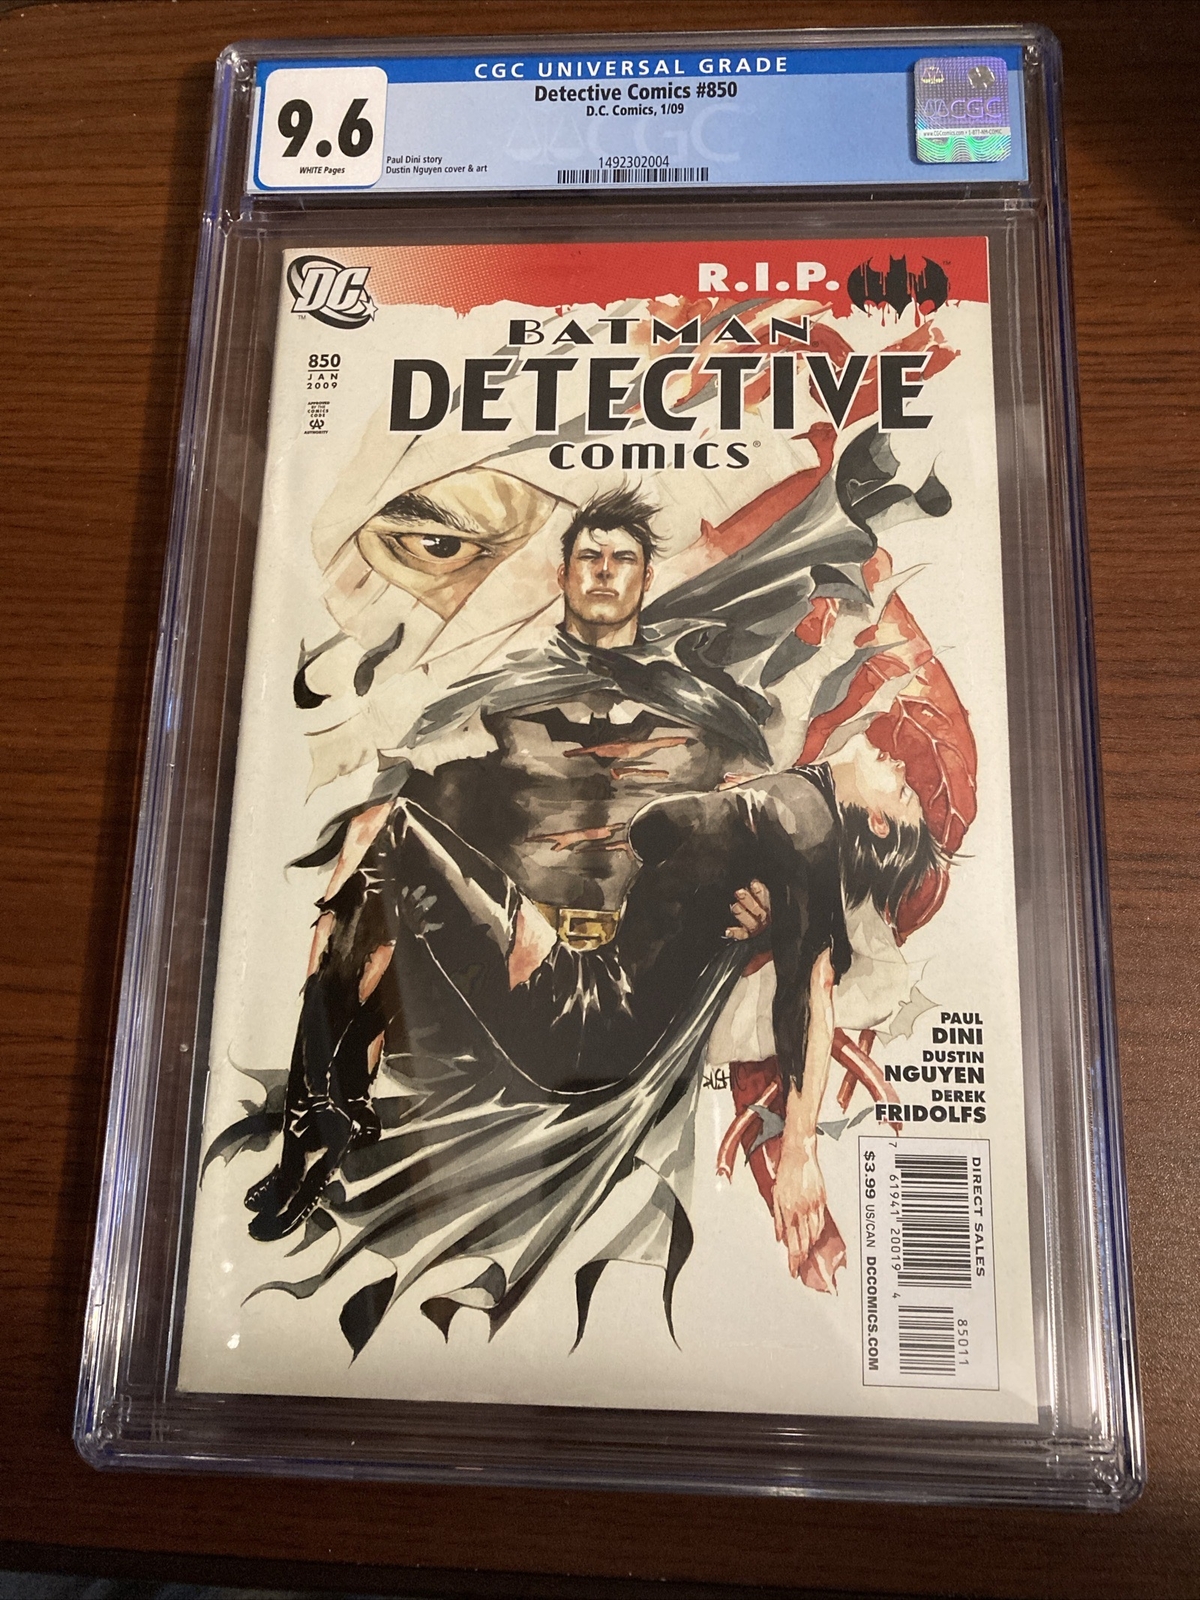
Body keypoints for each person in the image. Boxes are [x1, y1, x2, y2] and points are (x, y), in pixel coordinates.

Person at [245, 480, 942, 1316]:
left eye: (623, 560)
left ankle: (319, 1115)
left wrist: (756, 926)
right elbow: (434, 817)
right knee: (379, 849)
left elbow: (773, 903)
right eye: (589, 557)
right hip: (511, 967)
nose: (605, 572)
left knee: (384, 847)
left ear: (646, 579)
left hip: (616, 1002)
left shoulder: (717, 718)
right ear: (563, 574)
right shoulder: (498, 699)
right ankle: (321, 1117)